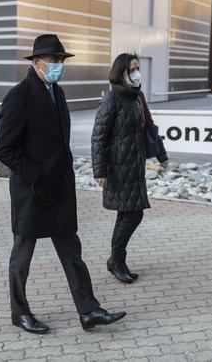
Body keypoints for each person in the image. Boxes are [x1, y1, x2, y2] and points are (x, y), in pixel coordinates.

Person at [0, 34, 126, 334]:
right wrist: (36, 174)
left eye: (61, 60)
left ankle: (89, 311)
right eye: (55, 61)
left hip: (60, 191)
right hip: (32, 192)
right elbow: (4, 148)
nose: (59, 66)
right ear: (37, 63)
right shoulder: (18, 97)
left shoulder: (58, 92)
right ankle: (20, 312)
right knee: (22, 256)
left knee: (71, 252)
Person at [91, 53, 168, 284]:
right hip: (117, 168)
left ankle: (116, 260)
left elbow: (150, 127)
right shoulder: (111, 99)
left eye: (137, 68)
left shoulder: (138, 97)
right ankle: (117, 259)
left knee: (127, 213)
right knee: (133, 214)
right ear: (120, 72)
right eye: (132, 69)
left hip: (135, 166)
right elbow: (98, 137)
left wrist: (162, 155)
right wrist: (100, 171)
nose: (136, 73)